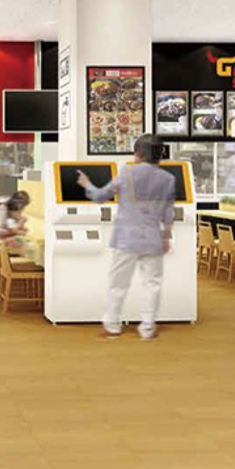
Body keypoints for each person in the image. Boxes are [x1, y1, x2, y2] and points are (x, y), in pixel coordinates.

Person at [77, 134, 176, 341]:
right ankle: (147, 327)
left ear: (138, 153)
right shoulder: (168, 179)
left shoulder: (126, 172)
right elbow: (168, 212)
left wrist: (86, 184)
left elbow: (100, 196)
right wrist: (166, 237)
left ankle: (113, 326)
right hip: (153, 238)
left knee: (118, 284)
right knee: (152, 284)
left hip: (126, 238)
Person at [0, 191, 34, 259]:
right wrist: (15, 231)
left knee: (28, 244)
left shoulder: (12, 211)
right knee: (30, 248)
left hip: (4, 241)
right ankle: (24, 263)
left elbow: (13, 227)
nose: (21, 209)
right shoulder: (1, 210)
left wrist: (20, 227)